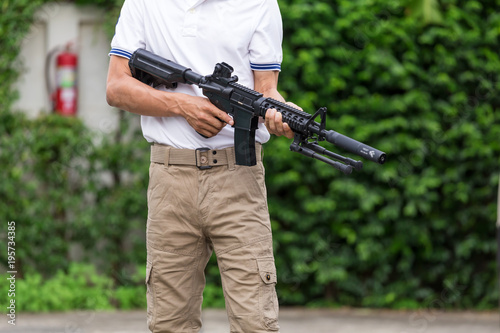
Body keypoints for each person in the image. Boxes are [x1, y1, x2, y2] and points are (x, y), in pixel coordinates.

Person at [106, 0, 297, 332]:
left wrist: (285, 113)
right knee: (170, 323)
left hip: (239, 178)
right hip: (170, 179)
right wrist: (182, 105)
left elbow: (267, 90)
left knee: (256, 322)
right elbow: (116, 87)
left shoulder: (260, 3)